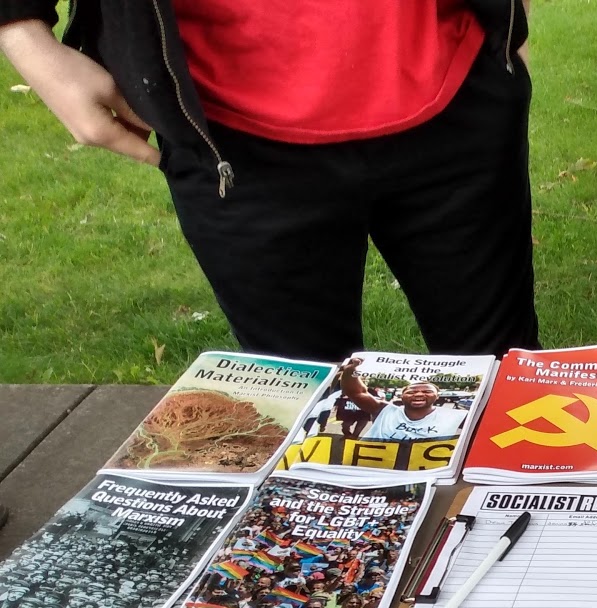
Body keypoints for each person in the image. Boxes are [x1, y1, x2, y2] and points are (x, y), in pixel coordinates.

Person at [0, 1, 538, 363]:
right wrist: (23, 32)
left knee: (505, 383)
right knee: (303, 411)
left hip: (453, 83)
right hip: (226, 127)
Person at [329, 357, 469, 442]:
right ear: (402, 396)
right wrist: (350, 370)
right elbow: (356, 393)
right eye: (412, 391)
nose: (418, 394)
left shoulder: (457, 416)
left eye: (426, 391)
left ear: (437, 396)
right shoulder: (384, 409)